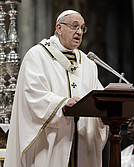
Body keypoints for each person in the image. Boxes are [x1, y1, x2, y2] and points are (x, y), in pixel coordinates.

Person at [4, 10, 109, 167]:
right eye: (74, 26)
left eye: (82, 28)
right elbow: (32, 95)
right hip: (51, 143)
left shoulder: (88, 64)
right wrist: (62, 104)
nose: (79, 32)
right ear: (59, 28)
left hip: (81, 144)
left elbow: (98, 97)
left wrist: (108, 106)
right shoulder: (38, 56)